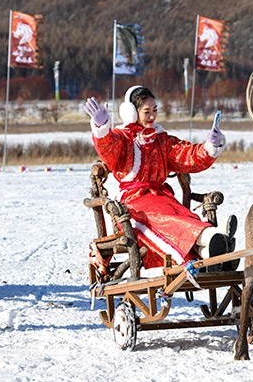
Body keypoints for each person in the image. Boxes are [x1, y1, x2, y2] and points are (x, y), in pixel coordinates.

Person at [83, 85, 234, 274]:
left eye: (155, 110)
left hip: (162, 198)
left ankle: (214, 247)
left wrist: (211, 145)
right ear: (131, 112)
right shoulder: (123, 138)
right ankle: (213, 240)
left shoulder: (162, 140)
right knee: (167, 221)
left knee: (184, 216)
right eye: (147, 112)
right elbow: (108, 149)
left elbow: (188, 156)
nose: (152, 116)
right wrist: (102, 127)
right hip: (134, 205)